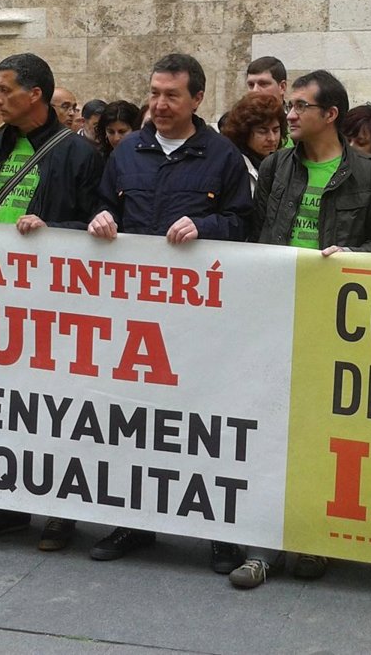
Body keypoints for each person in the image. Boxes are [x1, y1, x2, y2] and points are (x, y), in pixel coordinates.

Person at [87, 53, 252, 572]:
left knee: (204, 423)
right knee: (134, 420)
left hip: (198, 319)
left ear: (197, 99)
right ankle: (134, 522)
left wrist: (208, 227)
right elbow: (103, 204)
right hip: (135, 314)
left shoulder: (223, 157)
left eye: (171, 95)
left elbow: (244, 223)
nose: (159, 104)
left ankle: (220, 534)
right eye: (154, 93)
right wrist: (102, 216)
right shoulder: (127, 152)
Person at [232, 72, 371, 591]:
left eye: (301, 106)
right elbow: (258, 234)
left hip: (334, 321)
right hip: (277, 313)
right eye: (291, 105)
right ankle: (261, 545)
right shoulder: (275, 166)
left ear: (330, 115)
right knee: (268, 427)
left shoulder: (370, 174)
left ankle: (311, 537)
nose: (290, 114)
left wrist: (351, 257)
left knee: (321, 432)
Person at [0, 53, 104, 551]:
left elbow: (99, 226)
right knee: (2, 406)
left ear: (35, 94)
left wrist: (53, 231)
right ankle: (7, 506)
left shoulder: (79, 154)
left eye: (4, 90)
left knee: (56, 408)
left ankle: (62, 512)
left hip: (53, 301)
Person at [221, 92, 285, 194]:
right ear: (244, 133)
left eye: (276, 130)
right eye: (262, 131)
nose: (272, 138)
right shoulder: (233, 167)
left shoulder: (284, 164)